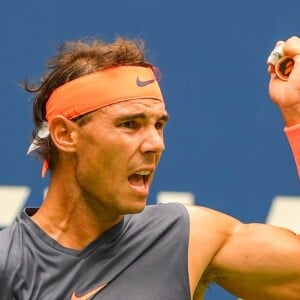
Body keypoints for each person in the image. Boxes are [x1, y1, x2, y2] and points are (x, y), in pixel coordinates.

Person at [0, 36, 300, 300]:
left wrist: (296, 113)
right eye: (130, 124)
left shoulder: (189, 239)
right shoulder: (7, 264)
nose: (155, 144)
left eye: (159, 125)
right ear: (66, 135)